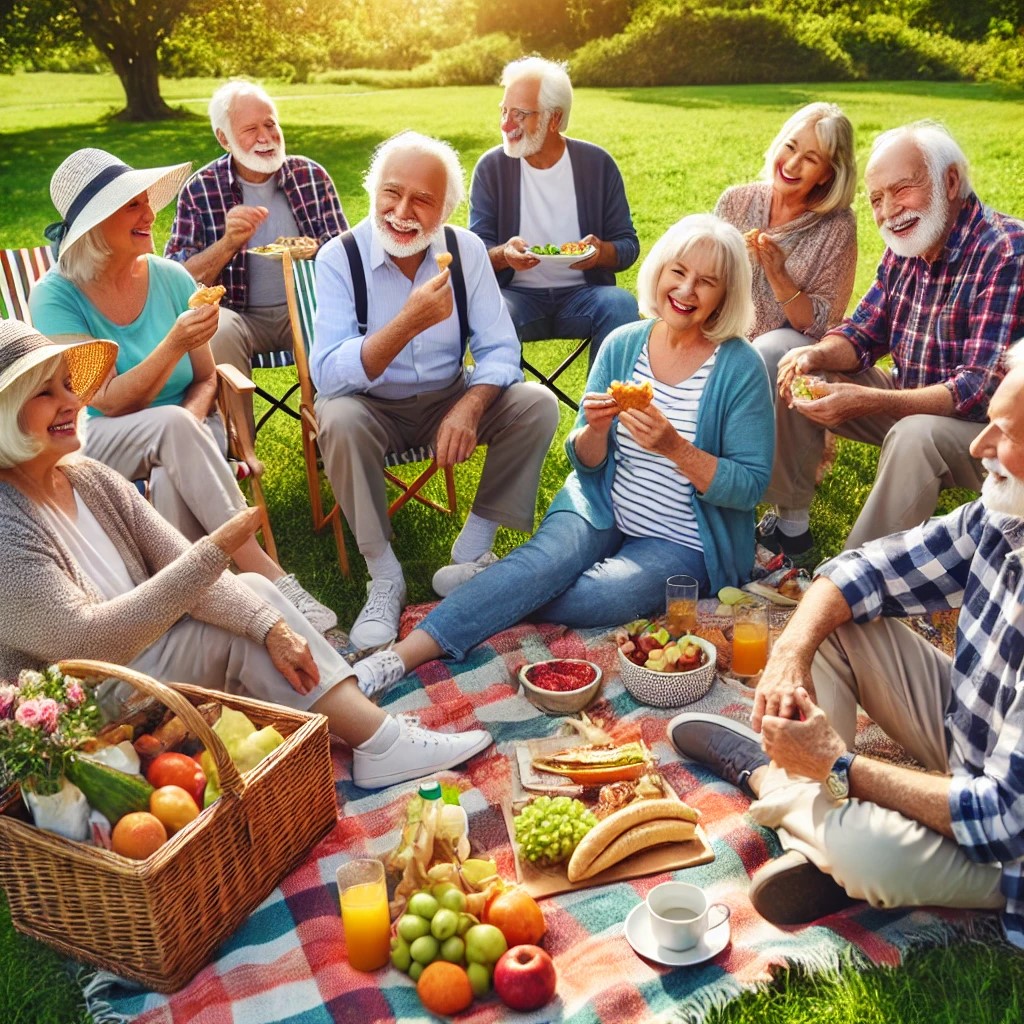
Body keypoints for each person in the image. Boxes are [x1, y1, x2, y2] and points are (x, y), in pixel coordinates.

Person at [0, 320, 492, 789]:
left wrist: (270, 625)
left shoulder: (89, 478)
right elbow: (88, 643)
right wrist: (214, 552)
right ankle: (378, 740)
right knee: (233, 634)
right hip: (84, 716)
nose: (72, 402)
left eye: (68, 385)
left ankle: (364, 726)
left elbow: (190, 574)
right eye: (46, 393)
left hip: (145, 666)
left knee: (254, 598)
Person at [669, 339, 1024, 940]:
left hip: (1007, 841)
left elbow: (1002, 822)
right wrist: (786, 655)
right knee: (832, 621)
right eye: (986, 422)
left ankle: (770, 781)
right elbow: (866, 569)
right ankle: (821, 817)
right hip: (971, 741)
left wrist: (838, 764)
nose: (976, 447)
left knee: (869, 858)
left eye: (1004, 433)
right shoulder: (1004, 515)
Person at [344, 214, 776, 701]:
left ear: (726, 294)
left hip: (682, 539)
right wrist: (594, 429)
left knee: (594, 595)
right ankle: (394, 659)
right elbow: (585, 463)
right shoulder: (624, 343)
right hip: (601, 504)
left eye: (707, 282)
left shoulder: (741, 367)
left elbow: (750, 486)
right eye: (679, 271)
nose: (687, 289)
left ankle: (500, 583)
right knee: (543, 565)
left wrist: (674, 448)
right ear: (661, 272)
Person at [30, 147, 337, 632]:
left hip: (190, 432)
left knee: (175, 477)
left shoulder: (172, 278)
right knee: (170, 434)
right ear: (96, 223)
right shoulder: (56, 295)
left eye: (146, 201)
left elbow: (207, 378)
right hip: (99, 440)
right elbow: (103, 398)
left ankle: (205, 620)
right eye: (132, 205)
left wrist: (188, 423)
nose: (150, 213)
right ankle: (270, 579)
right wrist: (173, 346)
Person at [311, 131, 560, 650]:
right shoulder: (340, 257)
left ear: (445, 210)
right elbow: (328, 377)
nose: (402, 212)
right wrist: (406, 323)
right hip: (370, 407)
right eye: (391, 193)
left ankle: (470, 553)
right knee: (337, 417)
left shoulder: (465, 251)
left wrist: (469, 406)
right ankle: (385, 576)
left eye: (422, 200)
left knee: (536, 403)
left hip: (448, 396)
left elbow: (500, 350)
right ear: (373, 191)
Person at [758, 120, 1024, 556]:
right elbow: (862, 334)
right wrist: (815, 353)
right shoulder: (909, 245)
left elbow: (979, 390)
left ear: (951, 181)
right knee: (784, 354)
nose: (888, 211)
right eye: (877, 199)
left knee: (915, 434)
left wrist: (874, 401)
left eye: (901, 190)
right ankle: (790, 530)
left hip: (997, 434)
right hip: (911, 395)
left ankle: (853, 580)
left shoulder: (1006, 252)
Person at [165, 79, 348, 434]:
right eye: (250, 129)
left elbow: (347, 253)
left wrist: (318, 250)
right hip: (242, 318)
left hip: (309, 309)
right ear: (224, 138)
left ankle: (335, 433)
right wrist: (228, 242)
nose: (265, 136)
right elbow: (177, 279)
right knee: (218, 328)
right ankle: (240, 449)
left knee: (341, 320)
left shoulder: (310, 175)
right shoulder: (201, 189)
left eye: (270, 124)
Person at [469, 56, 640, 372]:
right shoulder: (491, 168)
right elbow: (475, 253)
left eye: (519, 114)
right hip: (516, 297)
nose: (506, 124)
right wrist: (505, 255)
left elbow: (628, 246)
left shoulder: (598, 164)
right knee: (491, 312)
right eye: (504, 111)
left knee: (621, 304)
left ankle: (599, 418)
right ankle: (508, 416)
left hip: (584, 297)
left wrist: (601, 253)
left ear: (554, 118)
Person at [714, 101, 857, 362]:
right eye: (790, 147)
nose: (791, 164)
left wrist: (779, 274)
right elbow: (706, 278)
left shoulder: (837, 226)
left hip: (785, 348)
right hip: (725, 330)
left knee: (768, 347)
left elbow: (823, 324)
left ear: (827, 174)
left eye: (810, 159)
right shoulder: (735, 201)